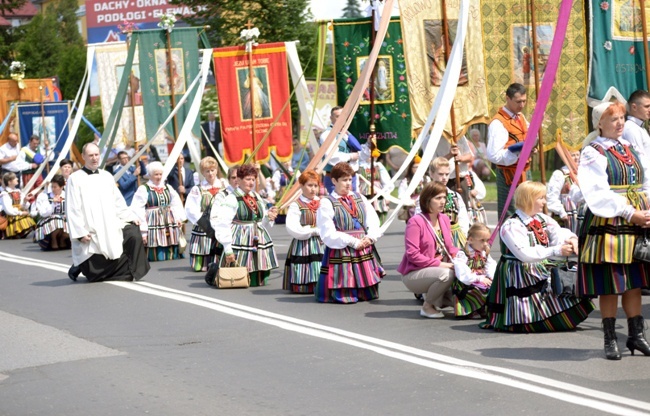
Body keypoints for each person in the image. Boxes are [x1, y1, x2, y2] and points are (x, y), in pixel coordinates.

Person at [577, 101, 650, 360]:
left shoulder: (628, 148)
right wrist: (631, 212)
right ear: (599, 123)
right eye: (613, 119)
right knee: (610, 283)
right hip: (610, 221)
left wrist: (647, 207)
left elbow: (644, 181)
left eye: (621, 118)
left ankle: (636, 335)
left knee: (633, 281)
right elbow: (597, 192)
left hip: (636, 219)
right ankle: (610, 339)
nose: (620, 123)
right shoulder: (592, 152)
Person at [482, 181, 594, 333]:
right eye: (540, 198)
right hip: (519, 273)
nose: (544, 201)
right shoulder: (512, 225)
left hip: (540, 266)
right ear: (528, 199)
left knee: (572, 287)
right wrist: (556, 250)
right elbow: (525, 254)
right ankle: (527, 319)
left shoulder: (542, 219)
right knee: (529, 316)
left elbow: (559, 232)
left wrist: (571, 240)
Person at [66, 142, 149, 282]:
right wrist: (79, 233)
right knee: (96, 274)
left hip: (109, 225)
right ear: (83, 157)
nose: (94, 158)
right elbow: (73, 208)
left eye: (96, 155)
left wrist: (130, 217)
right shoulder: (75, 179)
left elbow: (118, 201)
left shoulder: (107, 176)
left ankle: (132, 270)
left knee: (133, 233)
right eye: (90, 155)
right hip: (91, 229)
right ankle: (80, 265)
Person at [316, 162, 384, 303]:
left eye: (349, 179)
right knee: (345, 284)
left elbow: (372, 220)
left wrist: (370, 237)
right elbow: (328, 233)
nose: (348, 184)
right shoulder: (327, 203)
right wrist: (353, 241)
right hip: (343, 249)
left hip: (363, 245)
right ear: (334, 181)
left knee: (368, 294)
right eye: (344, 180)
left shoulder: (360, 198)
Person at [211, 163, 279, 287]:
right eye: (248, 179)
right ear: (239, 180)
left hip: (257, 239)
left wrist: (268, 216)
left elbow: (260, 222)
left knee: (257, 279)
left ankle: (256, 278)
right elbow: (223, 223)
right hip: (240, 239)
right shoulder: (232, 199)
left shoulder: (256, 196)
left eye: (253, 179)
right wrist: (227, 248)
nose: (251, 182)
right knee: (236, 278)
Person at [398, 182, 458, 318]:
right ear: (427, 200)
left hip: (437, 269)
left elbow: (450, 248)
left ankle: (438, 297)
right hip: (414, 273)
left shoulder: (444, 219)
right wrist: (441, 264)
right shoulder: (415, 221)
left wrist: (462, 258)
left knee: (460, 302)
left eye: (444, 198)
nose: (442, 202)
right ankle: (427, 306)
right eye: (438, 198)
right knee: (447, 275)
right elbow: (413, 255)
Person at [487, 83, 532, 221]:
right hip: (509, 175)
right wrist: (517, 153)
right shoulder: (498, 123)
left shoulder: (520, 117)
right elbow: (493, 155)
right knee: (511, 216)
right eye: (518, 101)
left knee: (527, 213)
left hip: (524, 170)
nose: (522, 105)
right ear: (508, 98)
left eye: (524, 101)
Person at [131, 161, 186, 262]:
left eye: (160, 174)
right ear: (150, 175)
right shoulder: (144, 189)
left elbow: (175, 203)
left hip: (168, 220)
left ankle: (172, 254)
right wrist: (143, 230)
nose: (159, 177)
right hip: (152, 220)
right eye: (156, 174)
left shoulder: (168, 188)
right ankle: (157, 255)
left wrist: (178, 218)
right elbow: (137, 208)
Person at [283, 170, 324, 294]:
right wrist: (312, 231)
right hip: (303, 243)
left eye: (315, 186)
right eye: (309, 185)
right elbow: (292, 226)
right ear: (301, 186)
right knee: (304, 263)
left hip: (321, 241)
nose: (313, 189)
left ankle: (320, 285)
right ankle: (304, 286)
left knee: (320, 262)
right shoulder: (296, 205)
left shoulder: (322, 202)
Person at [185, 157, 222, 272]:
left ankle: (217, 262)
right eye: (207, 171)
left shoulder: (224, 186)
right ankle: (201, 262)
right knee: (202, 243)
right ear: (203, 173)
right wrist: (202, 221)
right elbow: (191, 208)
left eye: (212, 170)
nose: (210, 173)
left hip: (220, 221)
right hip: (204, 222)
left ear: (216, 170)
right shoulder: (198, 189)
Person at [451, 223, 495, 318]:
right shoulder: (463, 254)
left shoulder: (484, 253)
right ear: (471, 240)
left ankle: (482, 308)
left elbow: (490, 266)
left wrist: (491, 277)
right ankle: (470, 309)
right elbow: (462, 274)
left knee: (492, 287)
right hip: (466, 283)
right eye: (482, 240)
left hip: (480, 279)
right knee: (478, 289)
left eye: (487, 240)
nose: (485, 244)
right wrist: (478, 279)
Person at [319, 106, 366, 194]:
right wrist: (351, 156)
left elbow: (360, 153)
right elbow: (332, 157)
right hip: (336, 179)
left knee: (353, 205)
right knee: (338, 205)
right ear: (331, 118)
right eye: (337, 116)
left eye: (342, 116)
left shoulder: (346, 133)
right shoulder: (327, 134)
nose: (340, 119)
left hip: (351, 177)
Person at [428, 157, 470, 248]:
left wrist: (462, 234)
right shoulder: (425, 196)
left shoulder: (455, 196)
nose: (444, 178)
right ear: (431, 174)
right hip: (434, 239)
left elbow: (463, 217)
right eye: (440, 174)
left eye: (447, 174)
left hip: (455, 238)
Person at [546, 149, 581, 234]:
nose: (576, 158)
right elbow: (551, 197)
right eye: (573, 155)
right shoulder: (560, 174)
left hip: (581, 215)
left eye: (578, 155)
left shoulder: (583, 172)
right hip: (566, 217)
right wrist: (563, 214)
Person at [31, 174, 69, 250]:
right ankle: (53, 239)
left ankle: (63, 239)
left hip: (64, 219)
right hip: (48, 221)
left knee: (68, 221)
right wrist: (53, 204)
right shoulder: (45, 196)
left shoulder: (67, 196)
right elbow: (43, 213)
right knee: (56, 220)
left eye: (55, 187)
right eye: (52, 186)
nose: (53, 189)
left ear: (61, 187)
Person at [358, 144, 393, 224]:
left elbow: (386, 182)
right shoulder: (359, 166)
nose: (370, 156)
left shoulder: (378, 166)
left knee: (378, 211)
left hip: (377, 194)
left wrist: (387, 194)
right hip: (363, 194)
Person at [0, 172, 36, 238]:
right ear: (9, 182)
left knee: (30, 231)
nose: (17, 179)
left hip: (22, 215)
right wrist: (21, 213)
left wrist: (25, 200)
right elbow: (8, 210)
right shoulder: (5, 194)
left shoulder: (18, 191)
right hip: (12, 217)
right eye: (14, 178)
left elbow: (23, 206)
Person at [397, 155, 430, 221]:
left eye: (419, 167)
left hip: (424, 205)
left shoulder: (426, 179)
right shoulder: (406, 181)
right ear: (411, 168)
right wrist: (410, 202)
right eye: (415, 167)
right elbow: (401, 194)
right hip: (412, 206)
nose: (417, 169)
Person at [622, 89, 650, 159]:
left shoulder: (639, 127)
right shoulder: (631, 129)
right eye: (647, 106)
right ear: (634, 107)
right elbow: (639, 159)